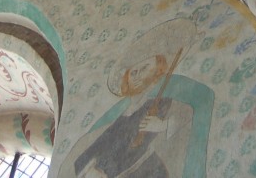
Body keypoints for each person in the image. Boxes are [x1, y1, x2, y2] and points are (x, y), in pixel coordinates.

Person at [59, 19, 214, 178]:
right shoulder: (120, 112)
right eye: (133, 73)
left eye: (144, 68)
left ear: (158, 69)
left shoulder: (167, 98)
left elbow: (191, 118)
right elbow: (95, 147)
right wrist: (89, 169)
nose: (137, 76)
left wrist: (164, 125)